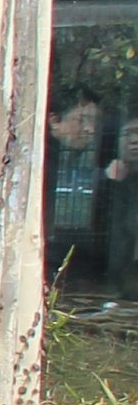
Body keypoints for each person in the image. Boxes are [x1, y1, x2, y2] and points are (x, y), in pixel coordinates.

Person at [47, 91, 136, 288]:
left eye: (95, 122)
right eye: (82, 120)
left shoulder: (86, 159)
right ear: (54, 120)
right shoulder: (42, 155)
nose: (89, 129)